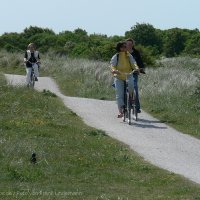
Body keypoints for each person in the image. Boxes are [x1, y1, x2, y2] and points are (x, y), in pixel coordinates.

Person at [110, 41, 139, 118]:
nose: (126, 48)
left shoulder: (129, 55)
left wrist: (136, 69)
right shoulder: (116, 56)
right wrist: (114, 70)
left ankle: (132, 99)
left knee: (132, 86)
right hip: (119, 76)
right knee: (119, 95)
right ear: (120, 48)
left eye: (126, 47)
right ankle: (121, 111)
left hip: (128, 75)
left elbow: (134, 63)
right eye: (124, 47)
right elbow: (112, 65)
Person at [126, 38, 145, 113]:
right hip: (125, 73)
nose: (129, 45)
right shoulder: (123, 52)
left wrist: (141, 68)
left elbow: (140, 61)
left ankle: (137, 107)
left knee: (135, 88)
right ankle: (124, 105)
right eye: (128, 44)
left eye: (131, 44)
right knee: (124, 88)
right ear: (126, 44)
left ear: (133, 44)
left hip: (134, 73)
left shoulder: (136, 52)